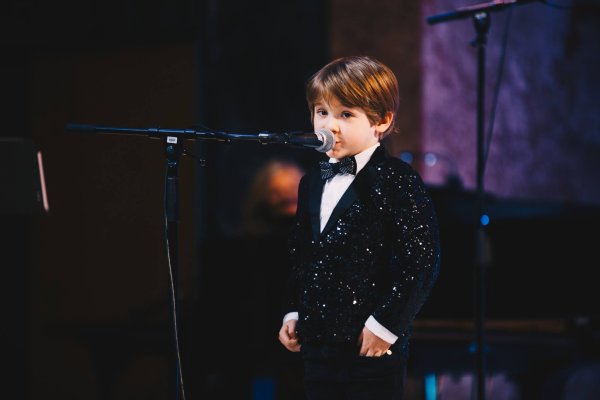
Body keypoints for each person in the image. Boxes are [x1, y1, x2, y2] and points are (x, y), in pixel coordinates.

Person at [277, 55, 442, 400]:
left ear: (381, 121)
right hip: (317, 343)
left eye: (346, 114)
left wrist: (386, 325)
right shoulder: (311, 182)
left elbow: (421, 262)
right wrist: (293, 309)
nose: (330, 125)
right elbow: (300, 252)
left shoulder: (396, 179)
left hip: (370, 345)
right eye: (322, 112)